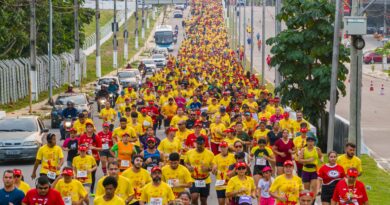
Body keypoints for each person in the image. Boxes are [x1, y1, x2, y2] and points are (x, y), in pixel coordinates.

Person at [185, 136, 214, 205]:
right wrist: (188, 167)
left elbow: (213, 166)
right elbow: (185, 162)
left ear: (204, 144)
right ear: (195, 143)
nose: (199, 145)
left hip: (205, 179)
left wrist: (208, 169)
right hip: (193, 179)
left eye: (201, 144)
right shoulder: (190, 152)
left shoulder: (210, 154)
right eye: (198, 144)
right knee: (194, 197)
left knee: (203, 200)